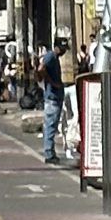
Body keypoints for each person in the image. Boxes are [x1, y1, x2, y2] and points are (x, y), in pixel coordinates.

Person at [40, 37, 69, 165]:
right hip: (52, 98)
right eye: (63, 49)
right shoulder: (51, 56)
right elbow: (41, 68)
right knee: (50, 126)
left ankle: (50, 151)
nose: (64, 52)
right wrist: (51, 82)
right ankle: (49, 153)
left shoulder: (54, 58)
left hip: (55, 97)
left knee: (52, 126)